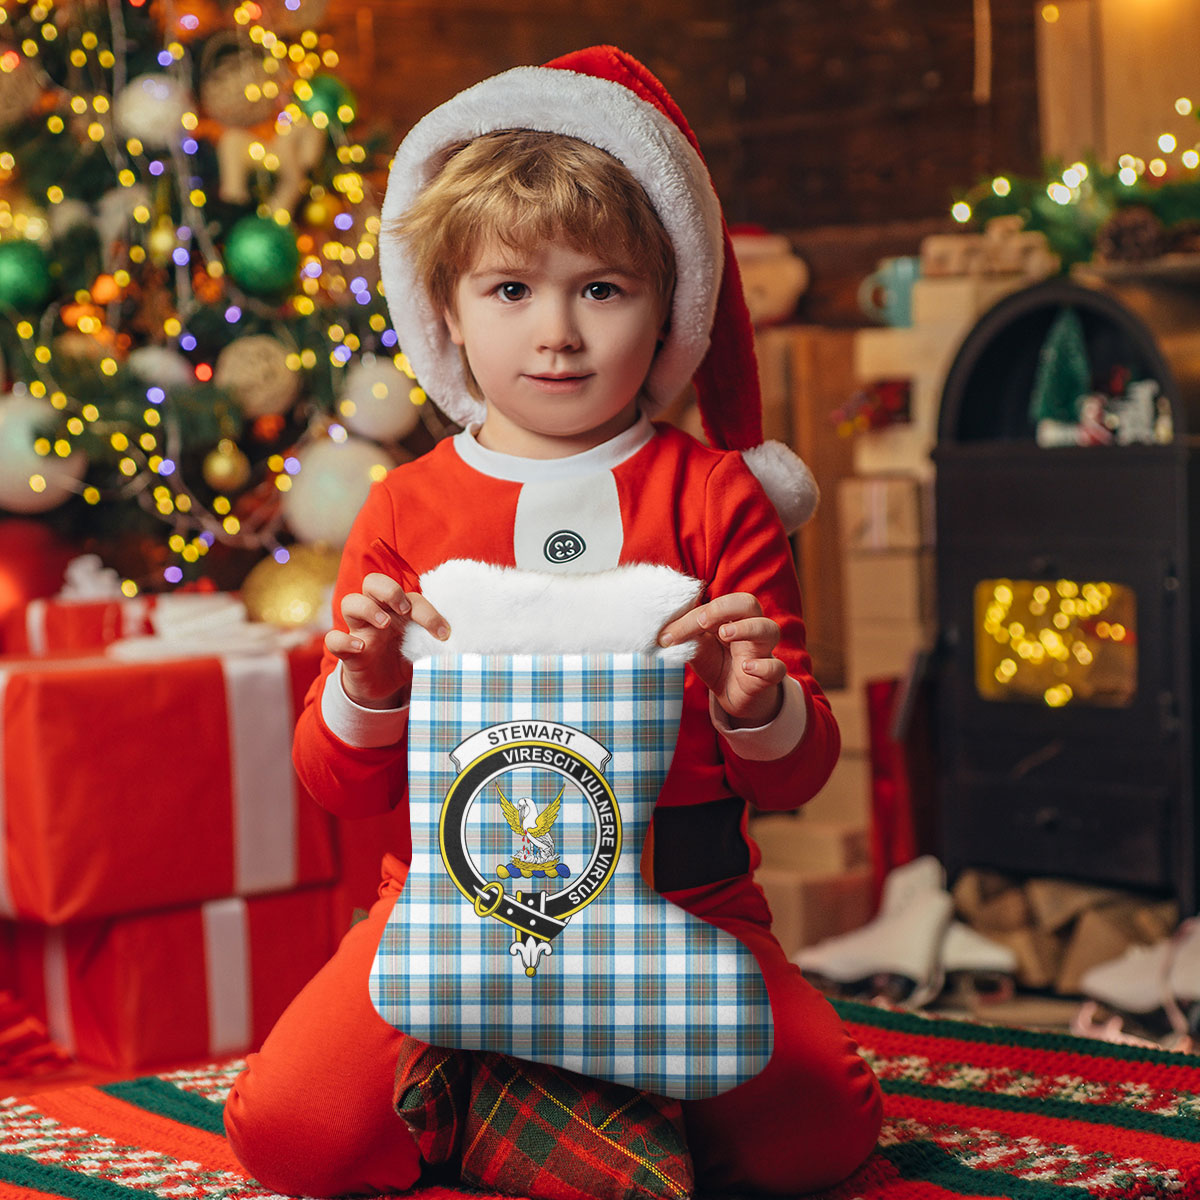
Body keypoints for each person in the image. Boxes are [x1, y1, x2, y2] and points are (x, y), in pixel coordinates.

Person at [224, 45, 882, 1198]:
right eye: (512, 289)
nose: (558, 334)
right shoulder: (407, 504)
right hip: (447, 900)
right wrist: (369, 686)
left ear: (665, 303)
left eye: (602, 288)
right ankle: (542, 1087)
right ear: (446, 310)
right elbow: (338, 784)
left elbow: (796, 780)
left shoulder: (716, 496)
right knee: (293, 1136)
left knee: (817, 1138)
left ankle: (528, 1087)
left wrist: (760, 705)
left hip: (685, 900)